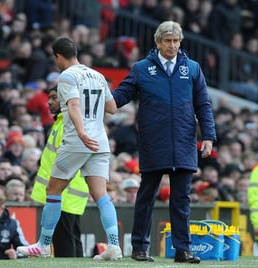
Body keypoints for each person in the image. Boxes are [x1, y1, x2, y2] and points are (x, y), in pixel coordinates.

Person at [111, 21, 216, 264]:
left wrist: (208, 136)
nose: (172, 45)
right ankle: (139, 248)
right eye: (167, 40)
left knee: (181, 200)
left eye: (176, 41)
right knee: (146, 196)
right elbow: (121, 96)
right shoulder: (140, 69)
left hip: (184, 141)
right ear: (158, 42)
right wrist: (101, 96)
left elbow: (203, 105)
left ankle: (183, 250)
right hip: (153, 142)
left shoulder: (192, 68)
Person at [17, 37, 122, 260]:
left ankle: (44, 245)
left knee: (53, 191)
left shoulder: (66, 76)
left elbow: (73, 105)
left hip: (78, 141)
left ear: (58, 56)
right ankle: (114, 245)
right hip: (100, 142)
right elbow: (112, 108)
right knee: (101, 196)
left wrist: (82, 131)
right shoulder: (98, 75)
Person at [28, 86, 89, 257]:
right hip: (66, 192)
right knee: (71, 239)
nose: (49, 102)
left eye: (54, 98)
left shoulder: (68, 124)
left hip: (63, 192)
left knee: (64, 242)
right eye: (49, 98)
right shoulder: (62, 122)